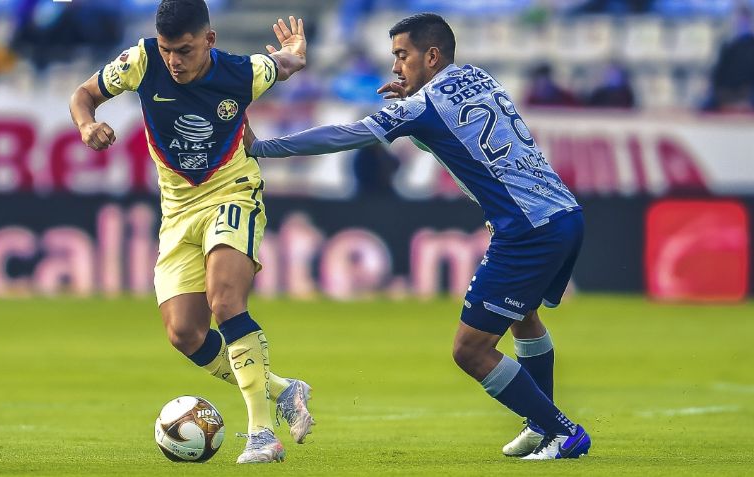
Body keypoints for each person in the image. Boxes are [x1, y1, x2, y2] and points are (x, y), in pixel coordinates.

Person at [246, 13, 590, 460]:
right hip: (563, 213)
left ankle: (560, 430)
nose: (395, 67)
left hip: (527, 231)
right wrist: (418, 93)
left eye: (402, 55)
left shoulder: (422, 107)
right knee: (523, 318)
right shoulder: (478, 77)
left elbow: (348, 135)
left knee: (470, 350)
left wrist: (263, 147)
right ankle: (541, 427)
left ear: (431, 55)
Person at [69, 0, 312, 464]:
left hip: (232, 191)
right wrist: (86, 125)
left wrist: (296, 51)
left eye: (183, 50)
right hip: (177, 209)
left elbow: (284, 64)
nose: (173, 61)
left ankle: (262, 433)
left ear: (210, 40)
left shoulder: (242, 72)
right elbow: (83, 95)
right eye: (166, 50)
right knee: (184, 332)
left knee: (225, 303)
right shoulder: (140, 61)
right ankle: (284, 390)